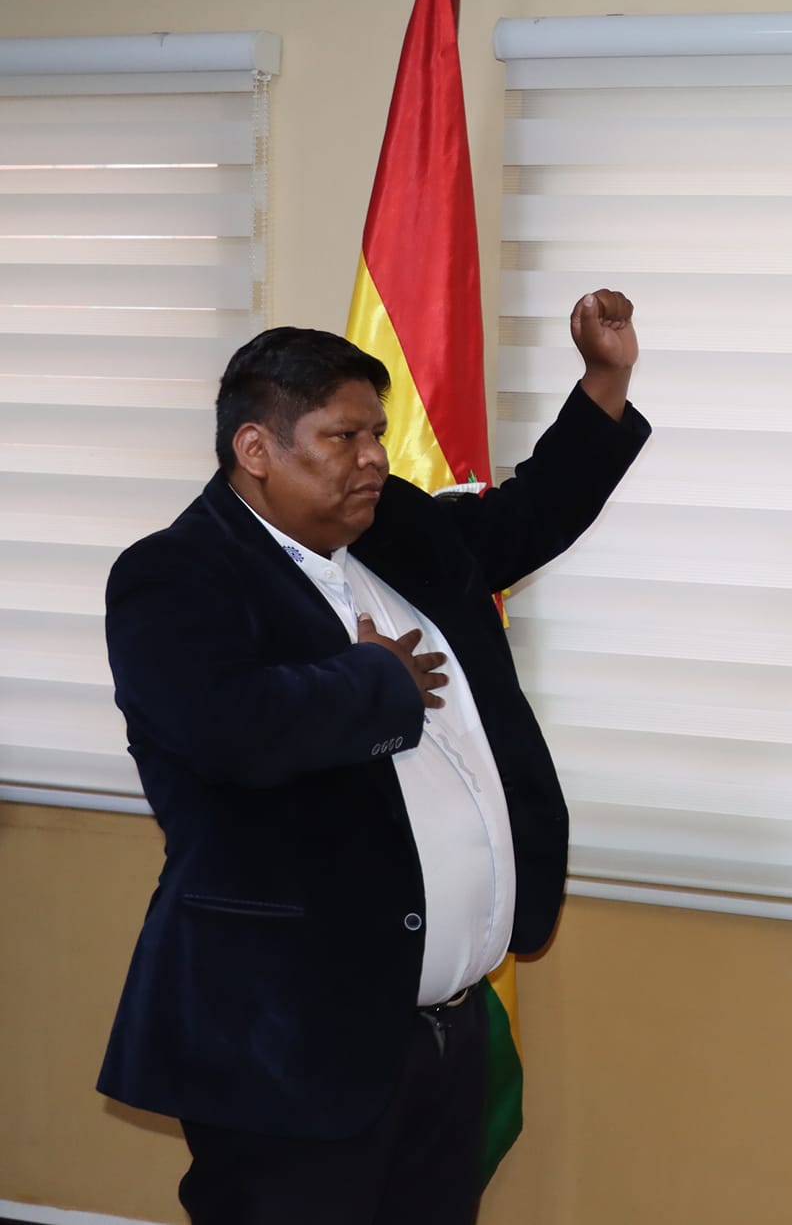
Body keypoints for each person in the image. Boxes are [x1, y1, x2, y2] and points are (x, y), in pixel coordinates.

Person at [96, 291, 651, 1225]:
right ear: (256, 449)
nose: (373, 460)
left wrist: (605, 380)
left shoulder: (390, 529)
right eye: (343, 438)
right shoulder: (174, 576)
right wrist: (375, 682)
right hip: (289, 1042)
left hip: (442, 1033)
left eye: (378, 435)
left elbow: (522, 521)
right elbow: (229, 731)